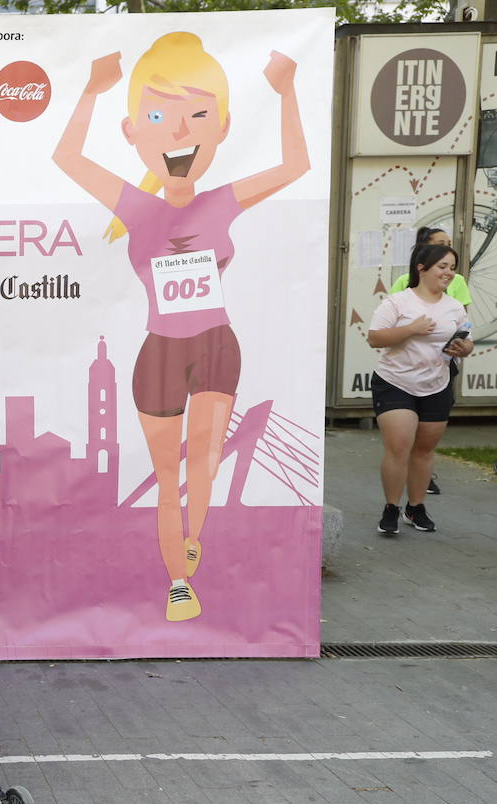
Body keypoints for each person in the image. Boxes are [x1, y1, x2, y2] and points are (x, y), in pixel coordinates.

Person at [53, 32, 308, 622]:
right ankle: (179, 580)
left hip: (216, 345)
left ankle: (194, 543)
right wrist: (91, 90)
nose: (178, 132)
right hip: (161, 353)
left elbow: (296, 164)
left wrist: (287, 89)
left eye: (197, 114)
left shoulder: (222, 200)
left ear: (221, 126)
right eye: (159, 115)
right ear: (133, 132)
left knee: (206, 465)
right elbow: (67, 159)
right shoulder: (135, 207)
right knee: (170, 478)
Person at [367, 244, 474, 535]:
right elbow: (375, 338)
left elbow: (467, 341)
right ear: (422, 268)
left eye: (452, 267)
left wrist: (463, 347)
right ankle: (391, 507)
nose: (449, 273)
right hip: (395, 383)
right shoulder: (398, 302)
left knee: (425, 450)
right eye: (442, 267)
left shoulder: (453, 306)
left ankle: (416, 508)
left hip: (436, 384)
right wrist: (411, 329)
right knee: (399, 446)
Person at [389, 226, 471, 495]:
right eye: (439, 245)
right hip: (406, 368)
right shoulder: (404, 282)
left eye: (449, 245)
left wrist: (461, 342)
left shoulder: (456, 283)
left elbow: (462, 319)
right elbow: (387, 325)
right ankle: (401, 479)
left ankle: (422, 472)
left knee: (428, 431)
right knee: (403, 429)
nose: (448, 270)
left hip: (442, 363)